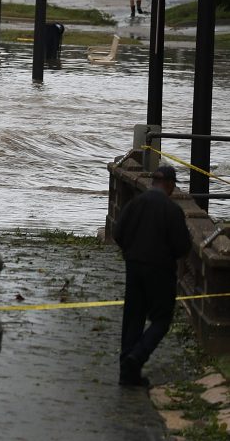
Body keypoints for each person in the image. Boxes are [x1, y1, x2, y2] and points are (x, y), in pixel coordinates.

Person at [114, 165, 191, 387]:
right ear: (170, 184)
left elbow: (118, 233)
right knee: (162, 319)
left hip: (134, 267)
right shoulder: (172, 210)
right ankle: (137, 356)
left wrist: (131, 253)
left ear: (153, 182)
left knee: (133, 317)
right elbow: (182, 246)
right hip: (160, 271)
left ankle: (127, 374)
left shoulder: (135, 203)